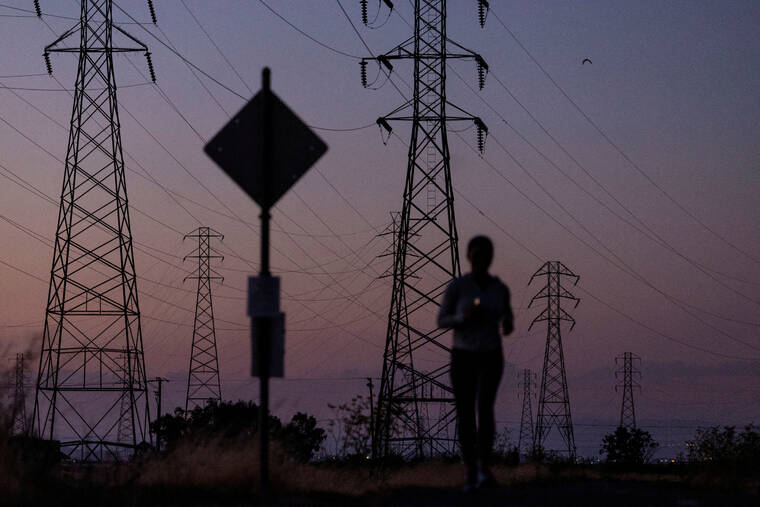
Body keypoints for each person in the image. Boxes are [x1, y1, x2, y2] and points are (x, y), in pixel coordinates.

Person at [437, 235, 514, 491]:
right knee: (465, 411)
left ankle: (484, 468)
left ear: (491, 258)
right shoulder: (458, 287)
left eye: (486, 255)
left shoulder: (499, 288)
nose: (481, 259)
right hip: (464, 354)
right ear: (469, 256)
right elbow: (442, 320)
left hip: (491, 353)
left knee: (485, 408)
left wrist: (506, 323)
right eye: (477, 254)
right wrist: (464, 317)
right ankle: (471, 468)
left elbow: (508, 317)